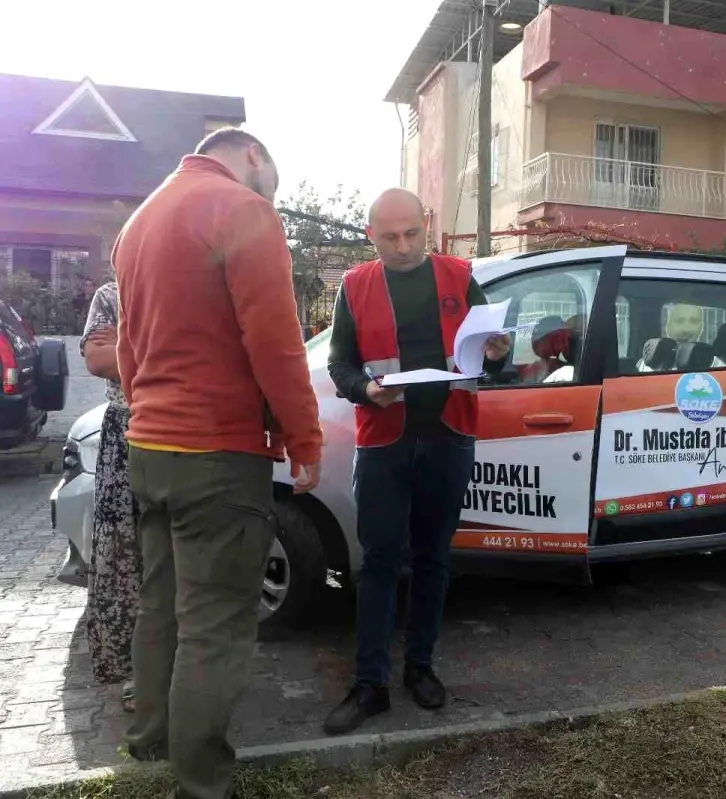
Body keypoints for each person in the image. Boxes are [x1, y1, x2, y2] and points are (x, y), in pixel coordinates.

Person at [114, 128, 323, 799]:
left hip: (150, 445)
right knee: (217, 623)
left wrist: (148, 408)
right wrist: (305, 438)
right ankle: (201, 784)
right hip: (218, 454)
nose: (271, 196)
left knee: (161, 605)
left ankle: (148, 743)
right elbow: (275, 340)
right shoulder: (241, 209)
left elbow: (127, 348)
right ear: (253, 155)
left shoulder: (140, 220)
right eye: (273, 182)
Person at [323, 188, 511, 736]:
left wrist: (499, 354)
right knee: (379, 563)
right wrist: (365, 387)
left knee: (433, 559)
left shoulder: (458, 274)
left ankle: (421, 668)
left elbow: (490, 355)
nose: (402, 246)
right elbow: (339, 363)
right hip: (384, 441)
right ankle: (369, 684)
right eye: (389, 237)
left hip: (449, 437)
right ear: (370, 236)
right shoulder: (354, 285)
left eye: (411, 233)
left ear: (425, 225)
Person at [80, 281, 139, 713]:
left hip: (178, 430)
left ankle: (171, 668)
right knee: (120, 555)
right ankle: (132, 670)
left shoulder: (187, 286)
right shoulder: (111, 294)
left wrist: (126, 343)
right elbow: (98, 360)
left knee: (170, 557)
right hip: (124, 437)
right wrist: (153, 349)